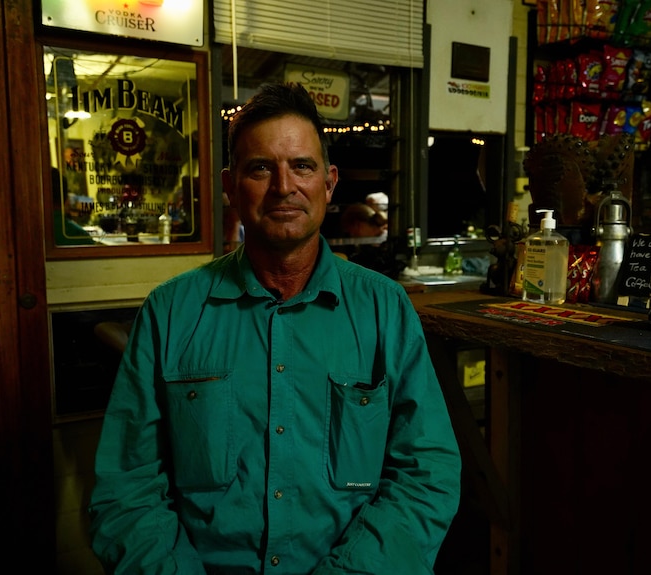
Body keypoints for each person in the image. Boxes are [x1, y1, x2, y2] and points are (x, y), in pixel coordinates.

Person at [88, 82, 461, 574]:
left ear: (328, 184)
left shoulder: (383, 308)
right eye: (261, 167)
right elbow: (126, 487)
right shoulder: (171, 312)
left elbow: (426, 472)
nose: (284, 186)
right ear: (229, 185)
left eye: (302, 166)